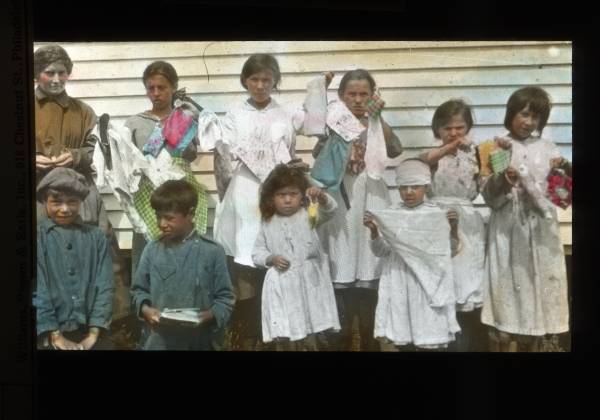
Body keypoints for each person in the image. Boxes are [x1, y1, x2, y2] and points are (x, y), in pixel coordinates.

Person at [212, 53, 333, 350]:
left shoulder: (287, 112)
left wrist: (320, 89)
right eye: (254, 79)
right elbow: (224, 159)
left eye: (267, 79)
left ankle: (291, 330)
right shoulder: (233, 115)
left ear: (275, 81)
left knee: (283, 251)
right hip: (247, 193)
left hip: (281, 193)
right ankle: (253, 333)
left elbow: (319, 125)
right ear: (245, 81)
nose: (260, 85)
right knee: (250, 259)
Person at [312, 69, 403, 351]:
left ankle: (367, 336)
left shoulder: (374, 121)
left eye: (364, 94)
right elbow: (318, 154)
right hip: (342, 196)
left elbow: (395, 148)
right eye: (352, 94)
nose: (358, 100)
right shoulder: (334, 122)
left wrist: (377, 117)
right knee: (342, 254)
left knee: (367, 256)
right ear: (341, 96)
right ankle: (342, 334)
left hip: (371, 193)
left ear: (373, 95)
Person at [480, 86, 571, 352]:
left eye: (536, 117)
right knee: (510, 283)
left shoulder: (548, 147)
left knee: (540, 283)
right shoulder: (494, 146)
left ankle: (538, 342)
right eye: (524, 114)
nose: (529, 122)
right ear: (511, 113)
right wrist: (502, 180)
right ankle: (505, 338)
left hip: (541, 229)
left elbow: (561, 196)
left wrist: (562, 171)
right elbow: (488, 196)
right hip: (509, 226)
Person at [363, 159, 460, 351]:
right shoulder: (391, 214)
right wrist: (374, 230)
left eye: (415, 187)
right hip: (400, 276)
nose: (409, 192)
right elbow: (381, 251)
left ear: (425, 187)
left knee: (428, 333)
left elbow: (450, 250)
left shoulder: (436, 214)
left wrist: (453, 228)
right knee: (404, 332)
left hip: (428, 280)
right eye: (403, 187)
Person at [125, 60, 209, 275]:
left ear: (173, 87)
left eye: (161, 88)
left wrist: (178, 127)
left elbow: (192, 154)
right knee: (149, 251)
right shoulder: (134, 123)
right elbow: (128, 162)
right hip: (148, 195)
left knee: (185, 247)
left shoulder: (186, 117)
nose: (156, 93)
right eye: (150, 88)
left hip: (181, 191)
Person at [130, 180, 234, 350]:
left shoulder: (212, 251)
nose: (162, 224)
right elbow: (138, 291)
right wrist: (146, 310)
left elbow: (225, 299)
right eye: (158, 216)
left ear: (190, 213)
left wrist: (209, 315)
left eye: (169, 218)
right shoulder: (152, 249)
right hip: (160, 341)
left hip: (200, 341)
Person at [419, 99, 488, 351]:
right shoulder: (434, 154)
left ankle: (463, 342)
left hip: (467, 221)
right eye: (447, 128)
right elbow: (423, 160)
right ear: (437, 129)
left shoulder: (476, 154)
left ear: (468, 127)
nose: (454, 133)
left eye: (460, 127)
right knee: (440, 284)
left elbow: (487, 184)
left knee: (465, 285)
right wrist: (450, 147)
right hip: (438, 217)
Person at [251, 164, 340, 351]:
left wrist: (321, 197)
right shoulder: (268, 222)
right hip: (284, 284)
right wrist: (271, 258)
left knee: (311, 326)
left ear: (302, 196)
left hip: (309, 282)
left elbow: (332, 210)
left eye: (293, 194)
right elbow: (257, 253)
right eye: (281, 195)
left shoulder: (310, 216)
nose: (288, 200)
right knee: (288, 328)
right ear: (271, 197)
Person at [34, 168, 114, 350]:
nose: (65, 209)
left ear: (81, 202)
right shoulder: (38, 238)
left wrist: (94, 333)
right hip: (48, 330)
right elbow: (38, 291)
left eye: (72, 202)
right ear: (45, 202)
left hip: (90, 329)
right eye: (56, 202)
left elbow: (105, 286)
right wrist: (54, 334)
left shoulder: (96, 238)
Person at [34, 44, 109, 233]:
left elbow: (98, 151)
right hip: (37, 191)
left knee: (93, 239)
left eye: (62, 73)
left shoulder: (83, 111)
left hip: (78, 190)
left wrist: (76, 156)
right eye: (49, 73)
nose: (57, 79)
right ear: (36, 73)